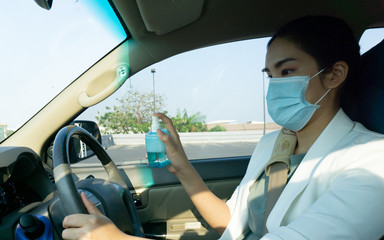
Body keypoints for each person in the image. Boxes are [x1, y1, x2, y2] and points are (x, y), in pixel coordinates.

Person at [62, 15, 384, 240]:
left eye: (286, 72)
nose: (273, 87)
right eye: (270, 75)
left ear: (335, 74)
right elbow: (232, 224)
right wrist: (183, 167)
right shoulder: (273, 145)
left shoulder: (372, 162)